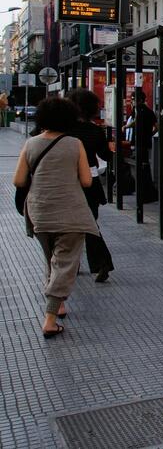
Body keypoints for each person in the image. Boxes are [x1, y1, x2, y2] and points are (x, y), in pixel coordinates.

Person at [13, 97, 98, 338]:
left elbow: (18, 181)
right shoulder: (74, 144)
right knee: (64, 263)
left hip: (39, 211)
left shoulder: (31, 144)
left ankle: (59, 304)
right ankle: (50, 318)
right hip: (70, 212)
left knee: (52, 259)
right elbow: (86, 181)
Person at [66, 89, 115, 283]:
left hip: (68, 182)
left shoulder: (64, 130)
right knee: (90, 224)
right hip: (91, 183)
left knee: (68, 225)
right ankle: (101, 263)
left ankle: (72, 263)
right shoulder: (95, 131)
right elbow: (106, 156)